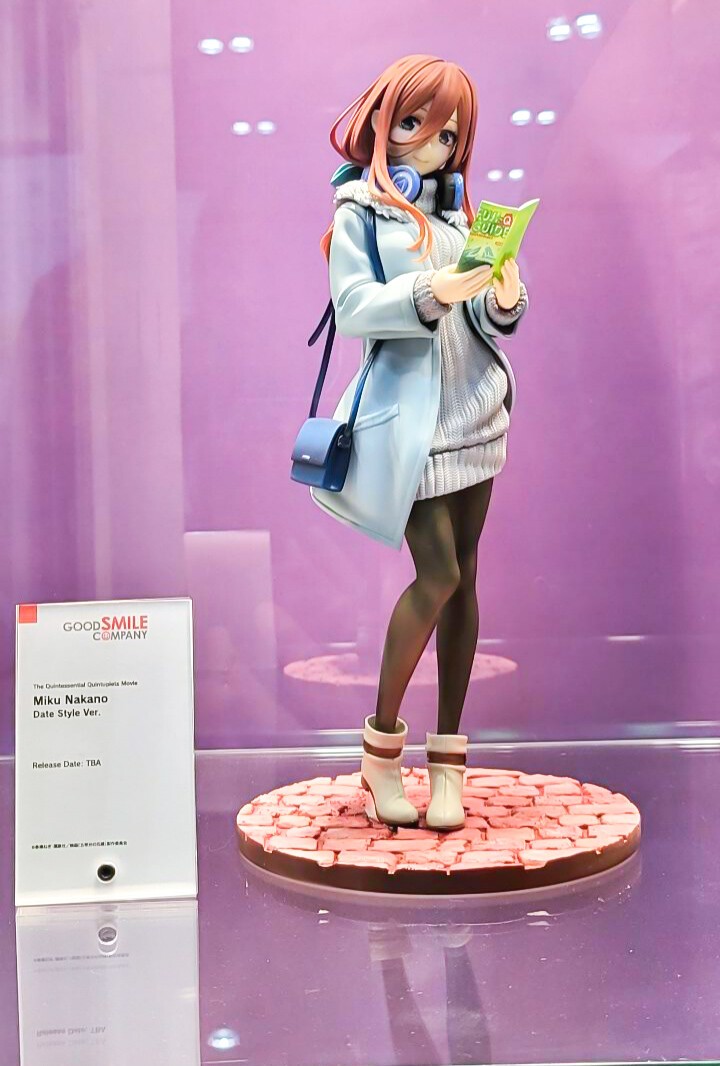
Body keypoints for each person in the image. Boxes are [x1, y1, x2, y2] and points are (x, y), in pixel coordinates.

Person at [311, 55, 529, 831]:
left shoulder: (462, 215)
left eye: (448, 134)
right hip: (412, 425)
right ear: (381, 121)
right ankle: (380, 752)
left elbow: (490, 320)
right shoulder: (360, 213)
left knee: (466, 581)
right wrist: (431, 289)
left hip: (477, 410)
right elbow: (354, 308)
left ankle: (448, 763)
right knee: (437, 574)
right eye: (414, 124)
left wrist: (504, 294)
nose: (432, 144)